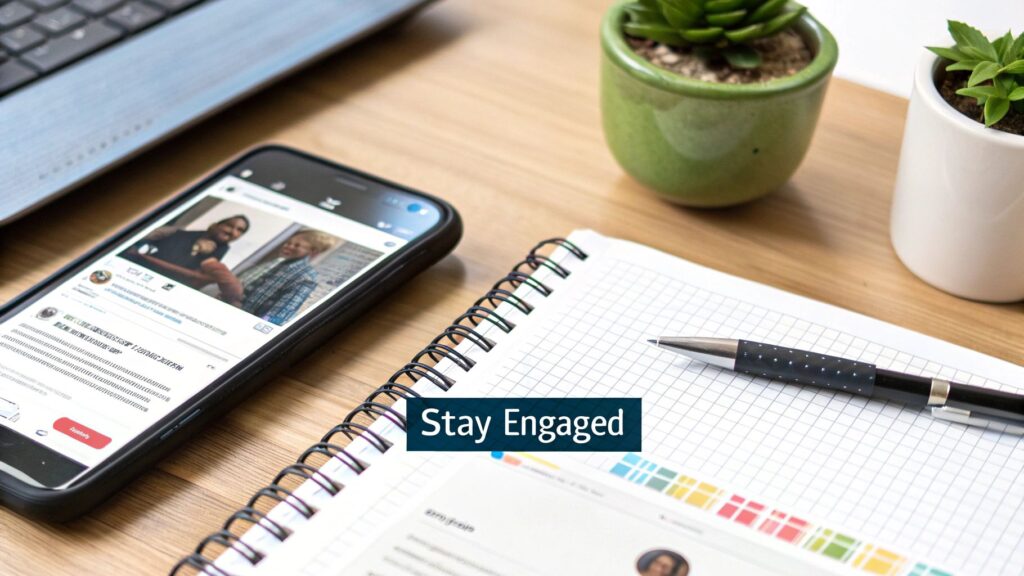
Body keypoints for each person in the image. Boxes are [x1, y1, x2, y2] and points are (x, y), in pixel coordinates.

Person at [203, 229, 338, 325]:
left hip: (238, 323)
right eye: (288, 242)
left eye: (297, 245)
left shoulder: (306, 278)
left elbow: (277, 316)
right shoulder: (275, 262)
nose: (289, 246)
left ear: (313, 251)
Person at [123, 215, 250, 287]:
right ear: (215, 225)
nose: (233, 231)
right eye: (229, 225)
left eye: (239, 230)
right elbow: (132, 239)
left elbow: (198, 277)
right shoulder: (175, 232)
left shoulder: (220, 253)